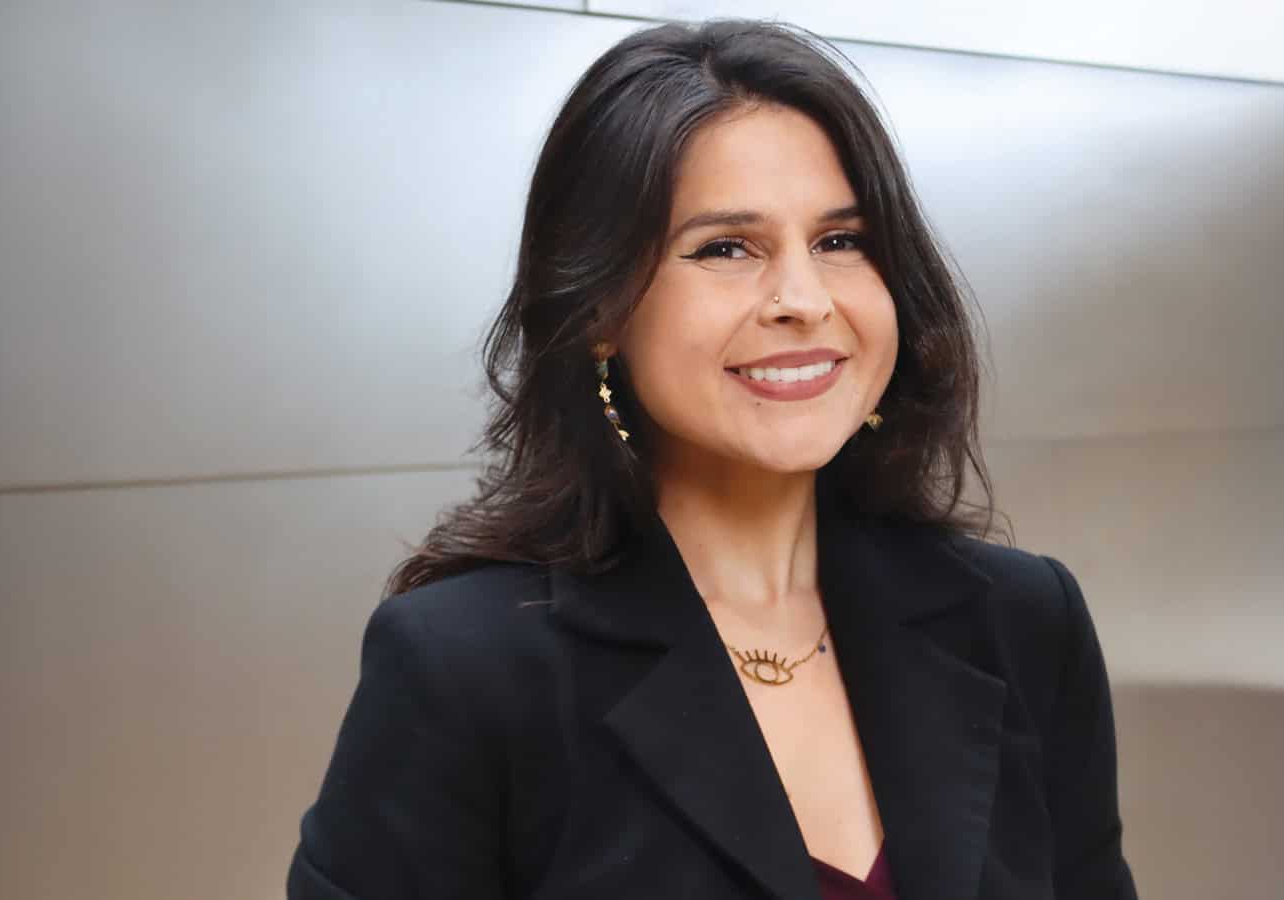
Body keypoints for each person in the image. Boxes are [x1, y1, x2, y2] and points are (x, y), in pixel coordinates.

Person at [288, 18, 1138, 900]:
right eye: (726, 248)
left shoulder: (1022, 622)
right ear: (599, 311)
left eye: (841, 240)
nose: (803, 300)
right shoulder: (464, 668)